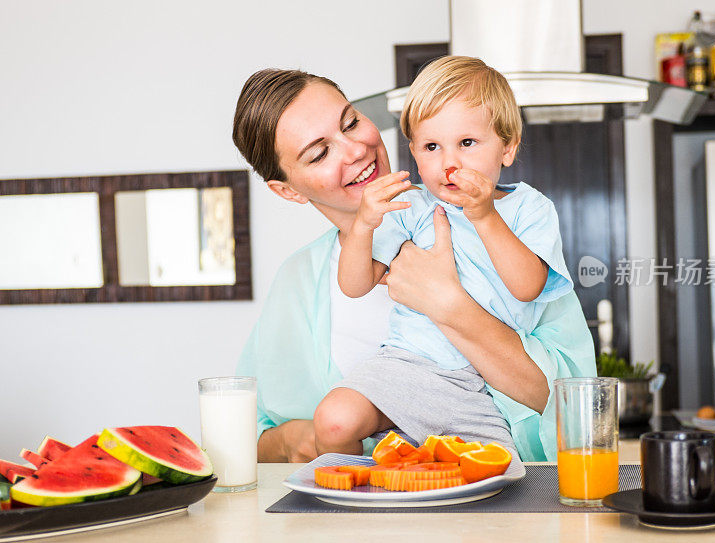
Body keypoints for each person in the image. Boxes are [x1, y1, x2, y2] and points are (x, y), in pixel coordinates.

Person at [232, 67, 596, 463]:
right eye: (319, 153)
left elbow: (573, 404)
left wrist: (450, 304)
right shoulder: (299, 280)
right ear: (287, 190)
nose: (354, 150)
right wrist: (296, 438)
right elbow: (249, 438)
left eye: (351, 123)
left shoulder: (510, 223)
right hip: (363, 518)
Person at [314, 56, 572, 459]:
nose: (449, 162)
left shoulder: (529, 209)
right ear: (414, 153)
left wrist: (484, 215)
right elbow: (355, 284)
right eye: (432, 147)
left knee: (495, 476)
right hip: (407, 363)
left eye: (467, 143)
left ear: (507, 147)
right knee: (334, 419)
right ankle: (358, 500)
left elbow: (527, 288)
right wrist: (363, 224)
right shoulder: (413, 205)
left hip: (481, 381)